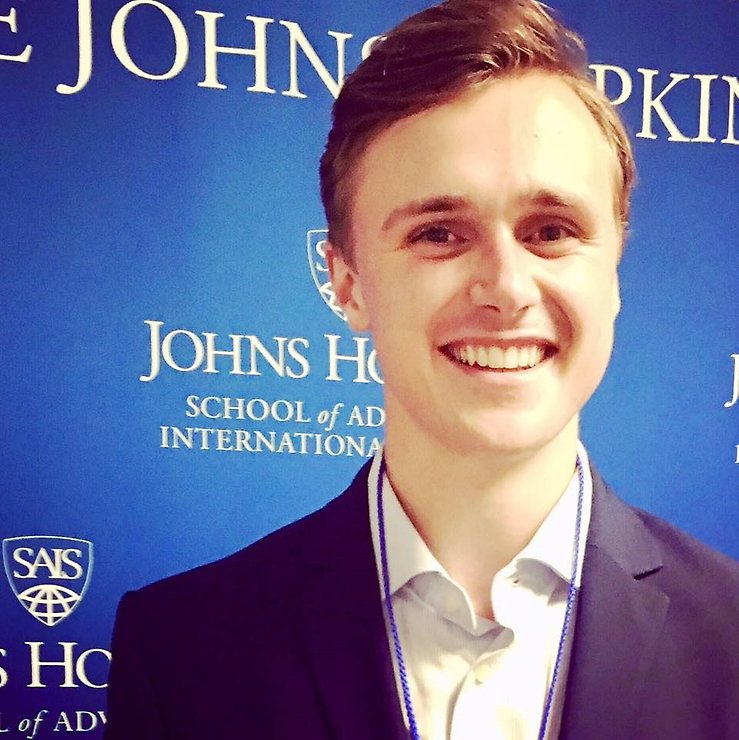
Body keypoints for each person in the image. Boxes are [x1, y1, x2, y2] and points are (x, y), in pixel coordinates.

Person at [104, 1, 739, 738]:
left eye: (551, 230)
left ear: (613, 274)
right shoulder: (181, 650)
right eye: (438, 233)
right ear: (347, 284)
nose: (506, 287)